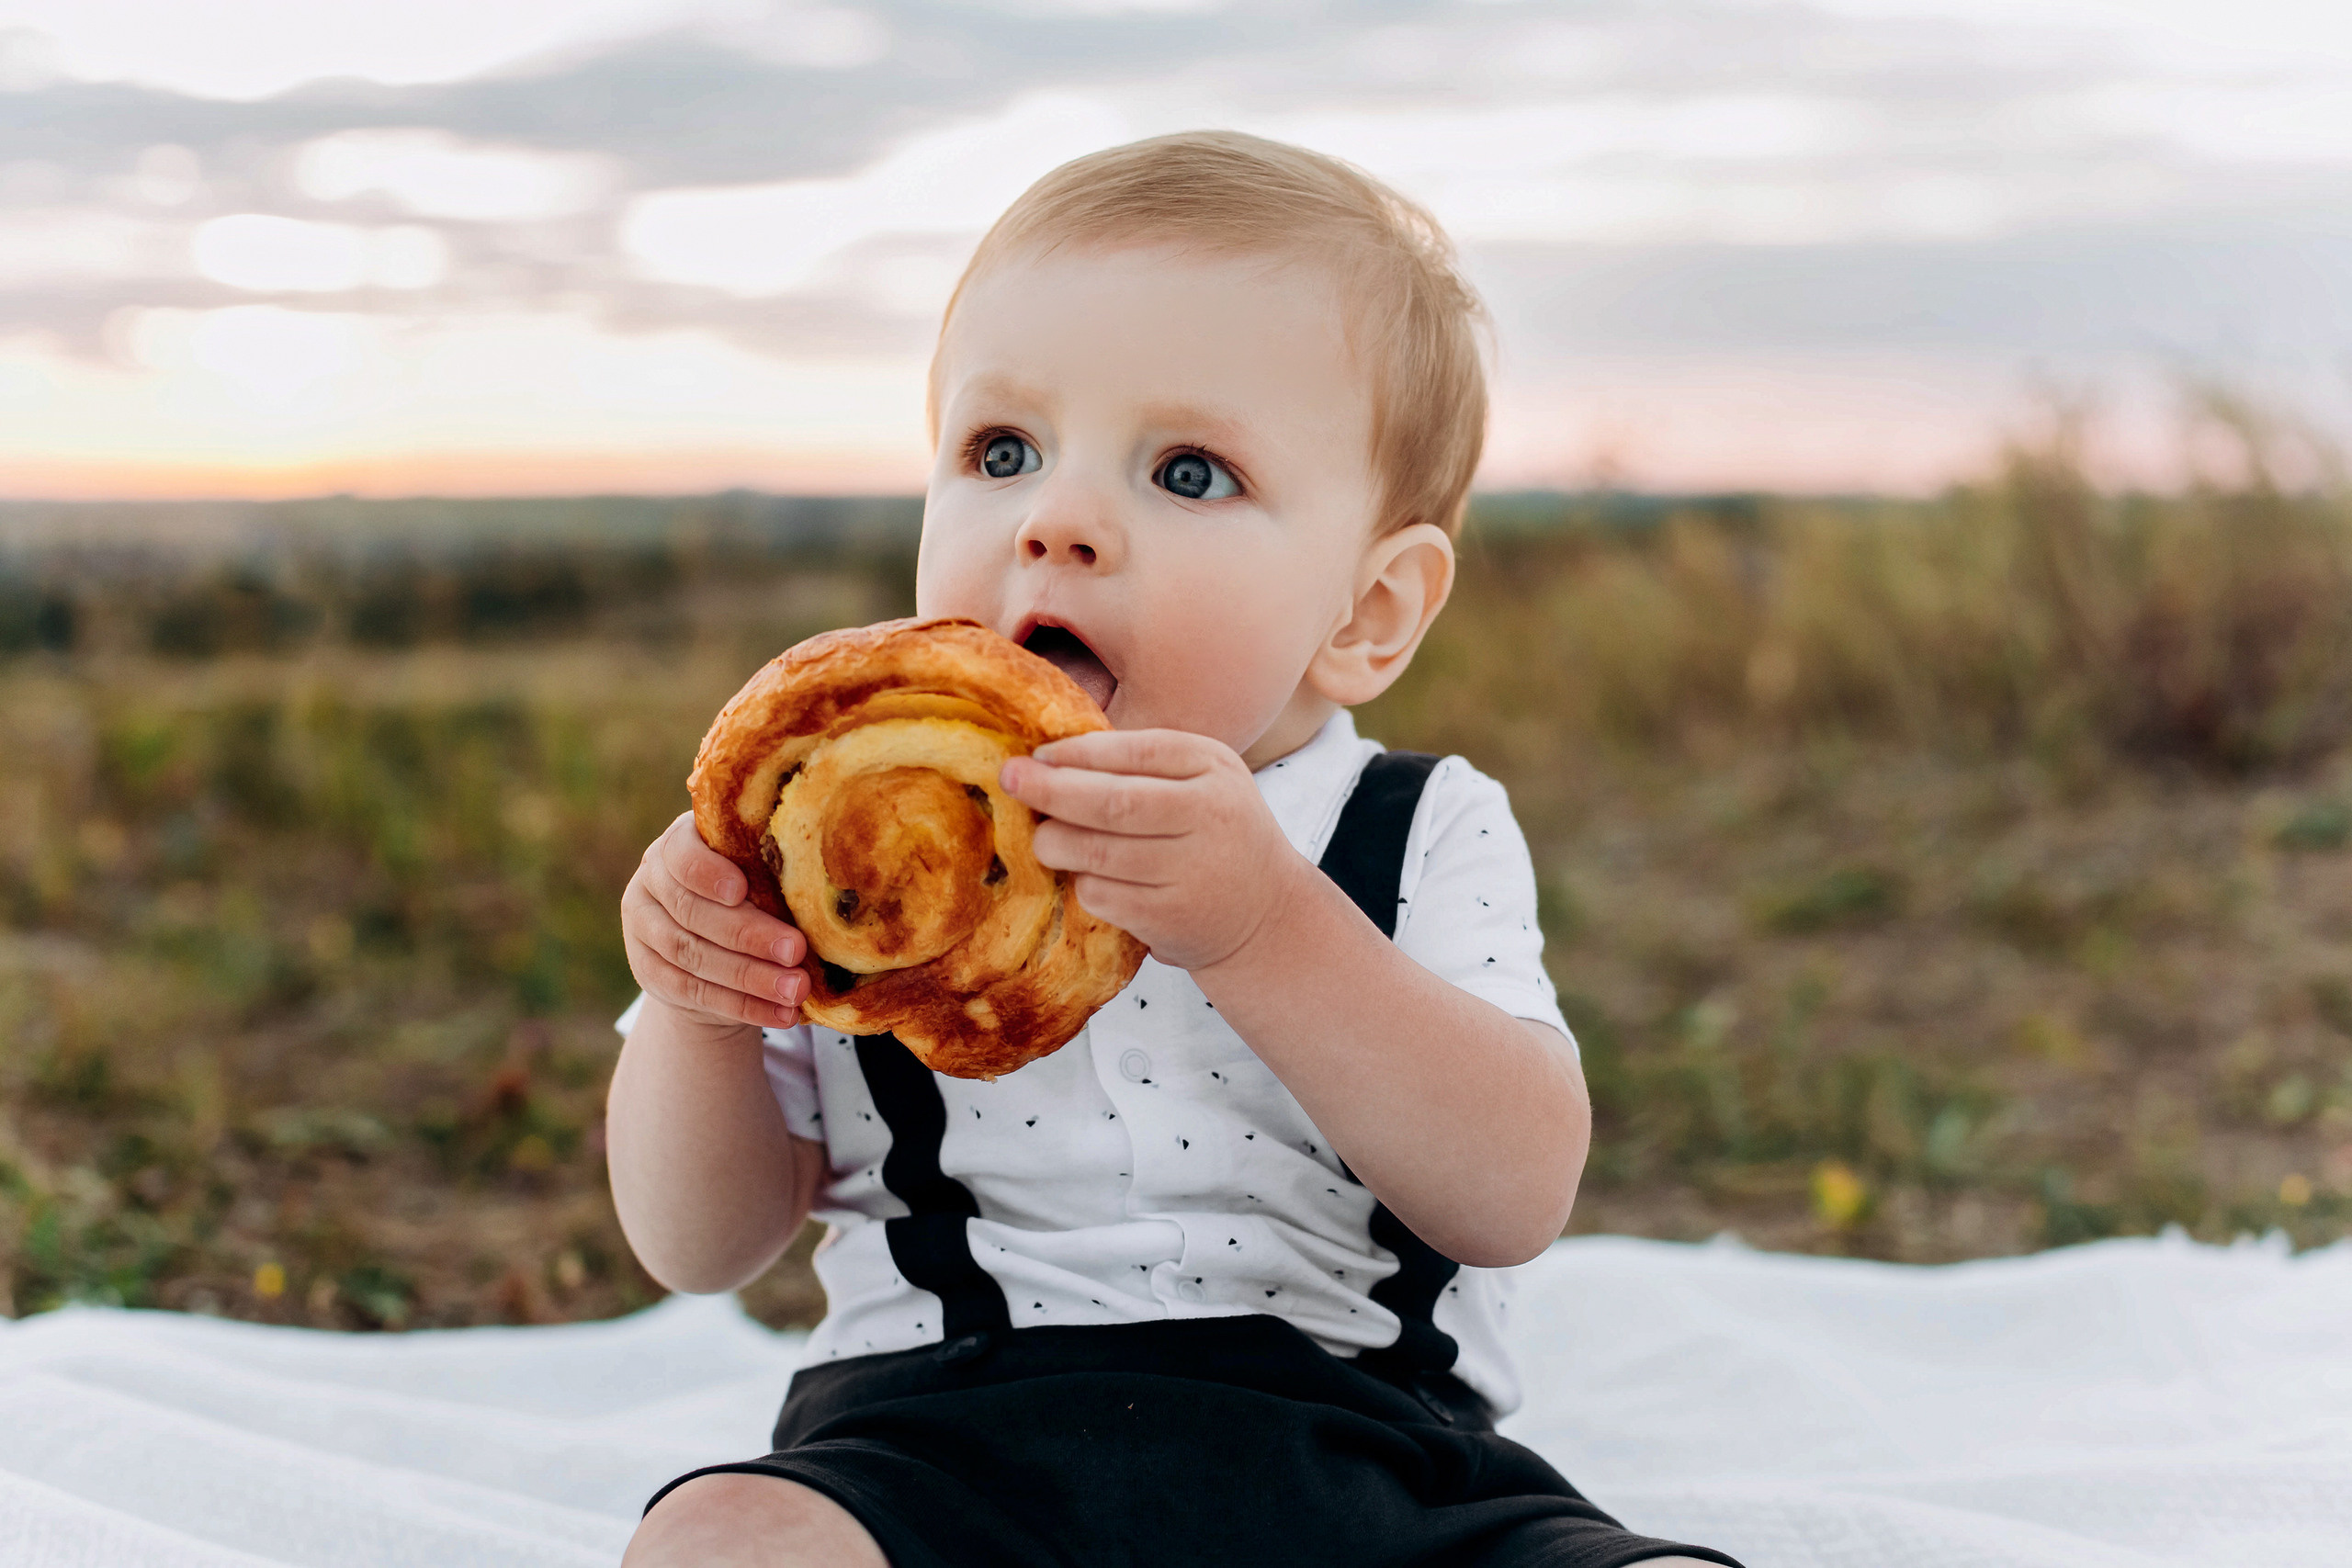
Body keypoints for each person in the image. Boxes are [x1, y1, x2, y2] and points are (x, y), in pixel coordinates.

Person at [607, 130, 1741, 1568]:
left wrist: (1269, 923)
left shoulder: (1415, 826)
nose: (1059, 524)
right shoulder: (845, 855)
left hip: (1365, 1453)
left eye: (1189, 473)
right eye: (1001, 452)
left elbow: (1512, 1194)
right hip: (941, 1446)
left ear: (1369, 612)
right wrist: (704, 1002)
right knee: (721, 1535)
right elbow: (695, 1245)